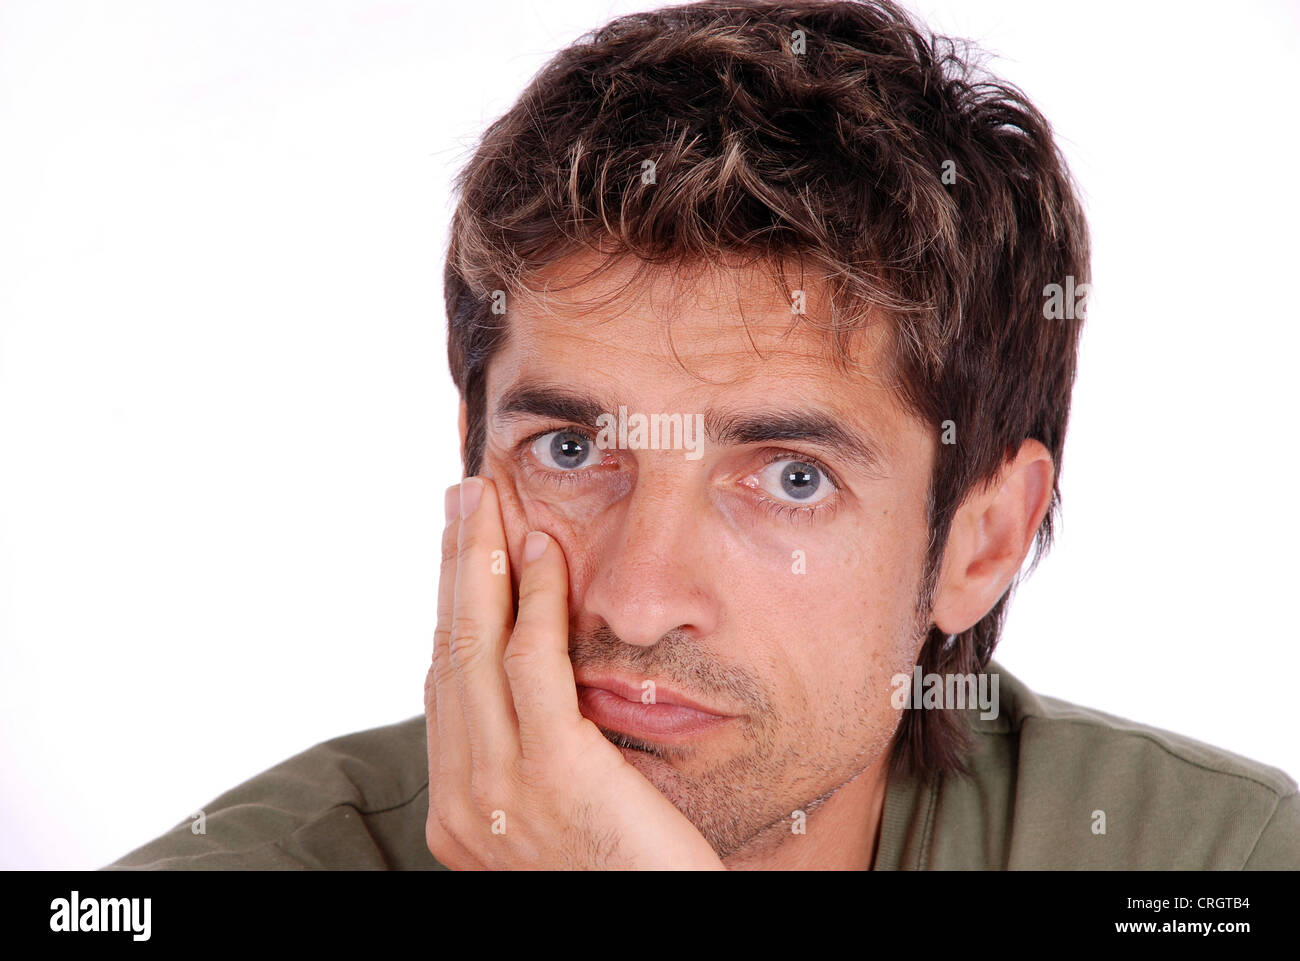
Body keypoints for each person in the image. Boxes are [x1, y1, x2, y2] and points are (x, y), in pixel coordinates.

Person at [105, 0, 1299, 871]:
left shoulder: (1218, 865)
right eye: (569, 451)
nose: (634, 602)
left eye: (788, 477)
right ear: (472, 451)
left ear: (979, 542)